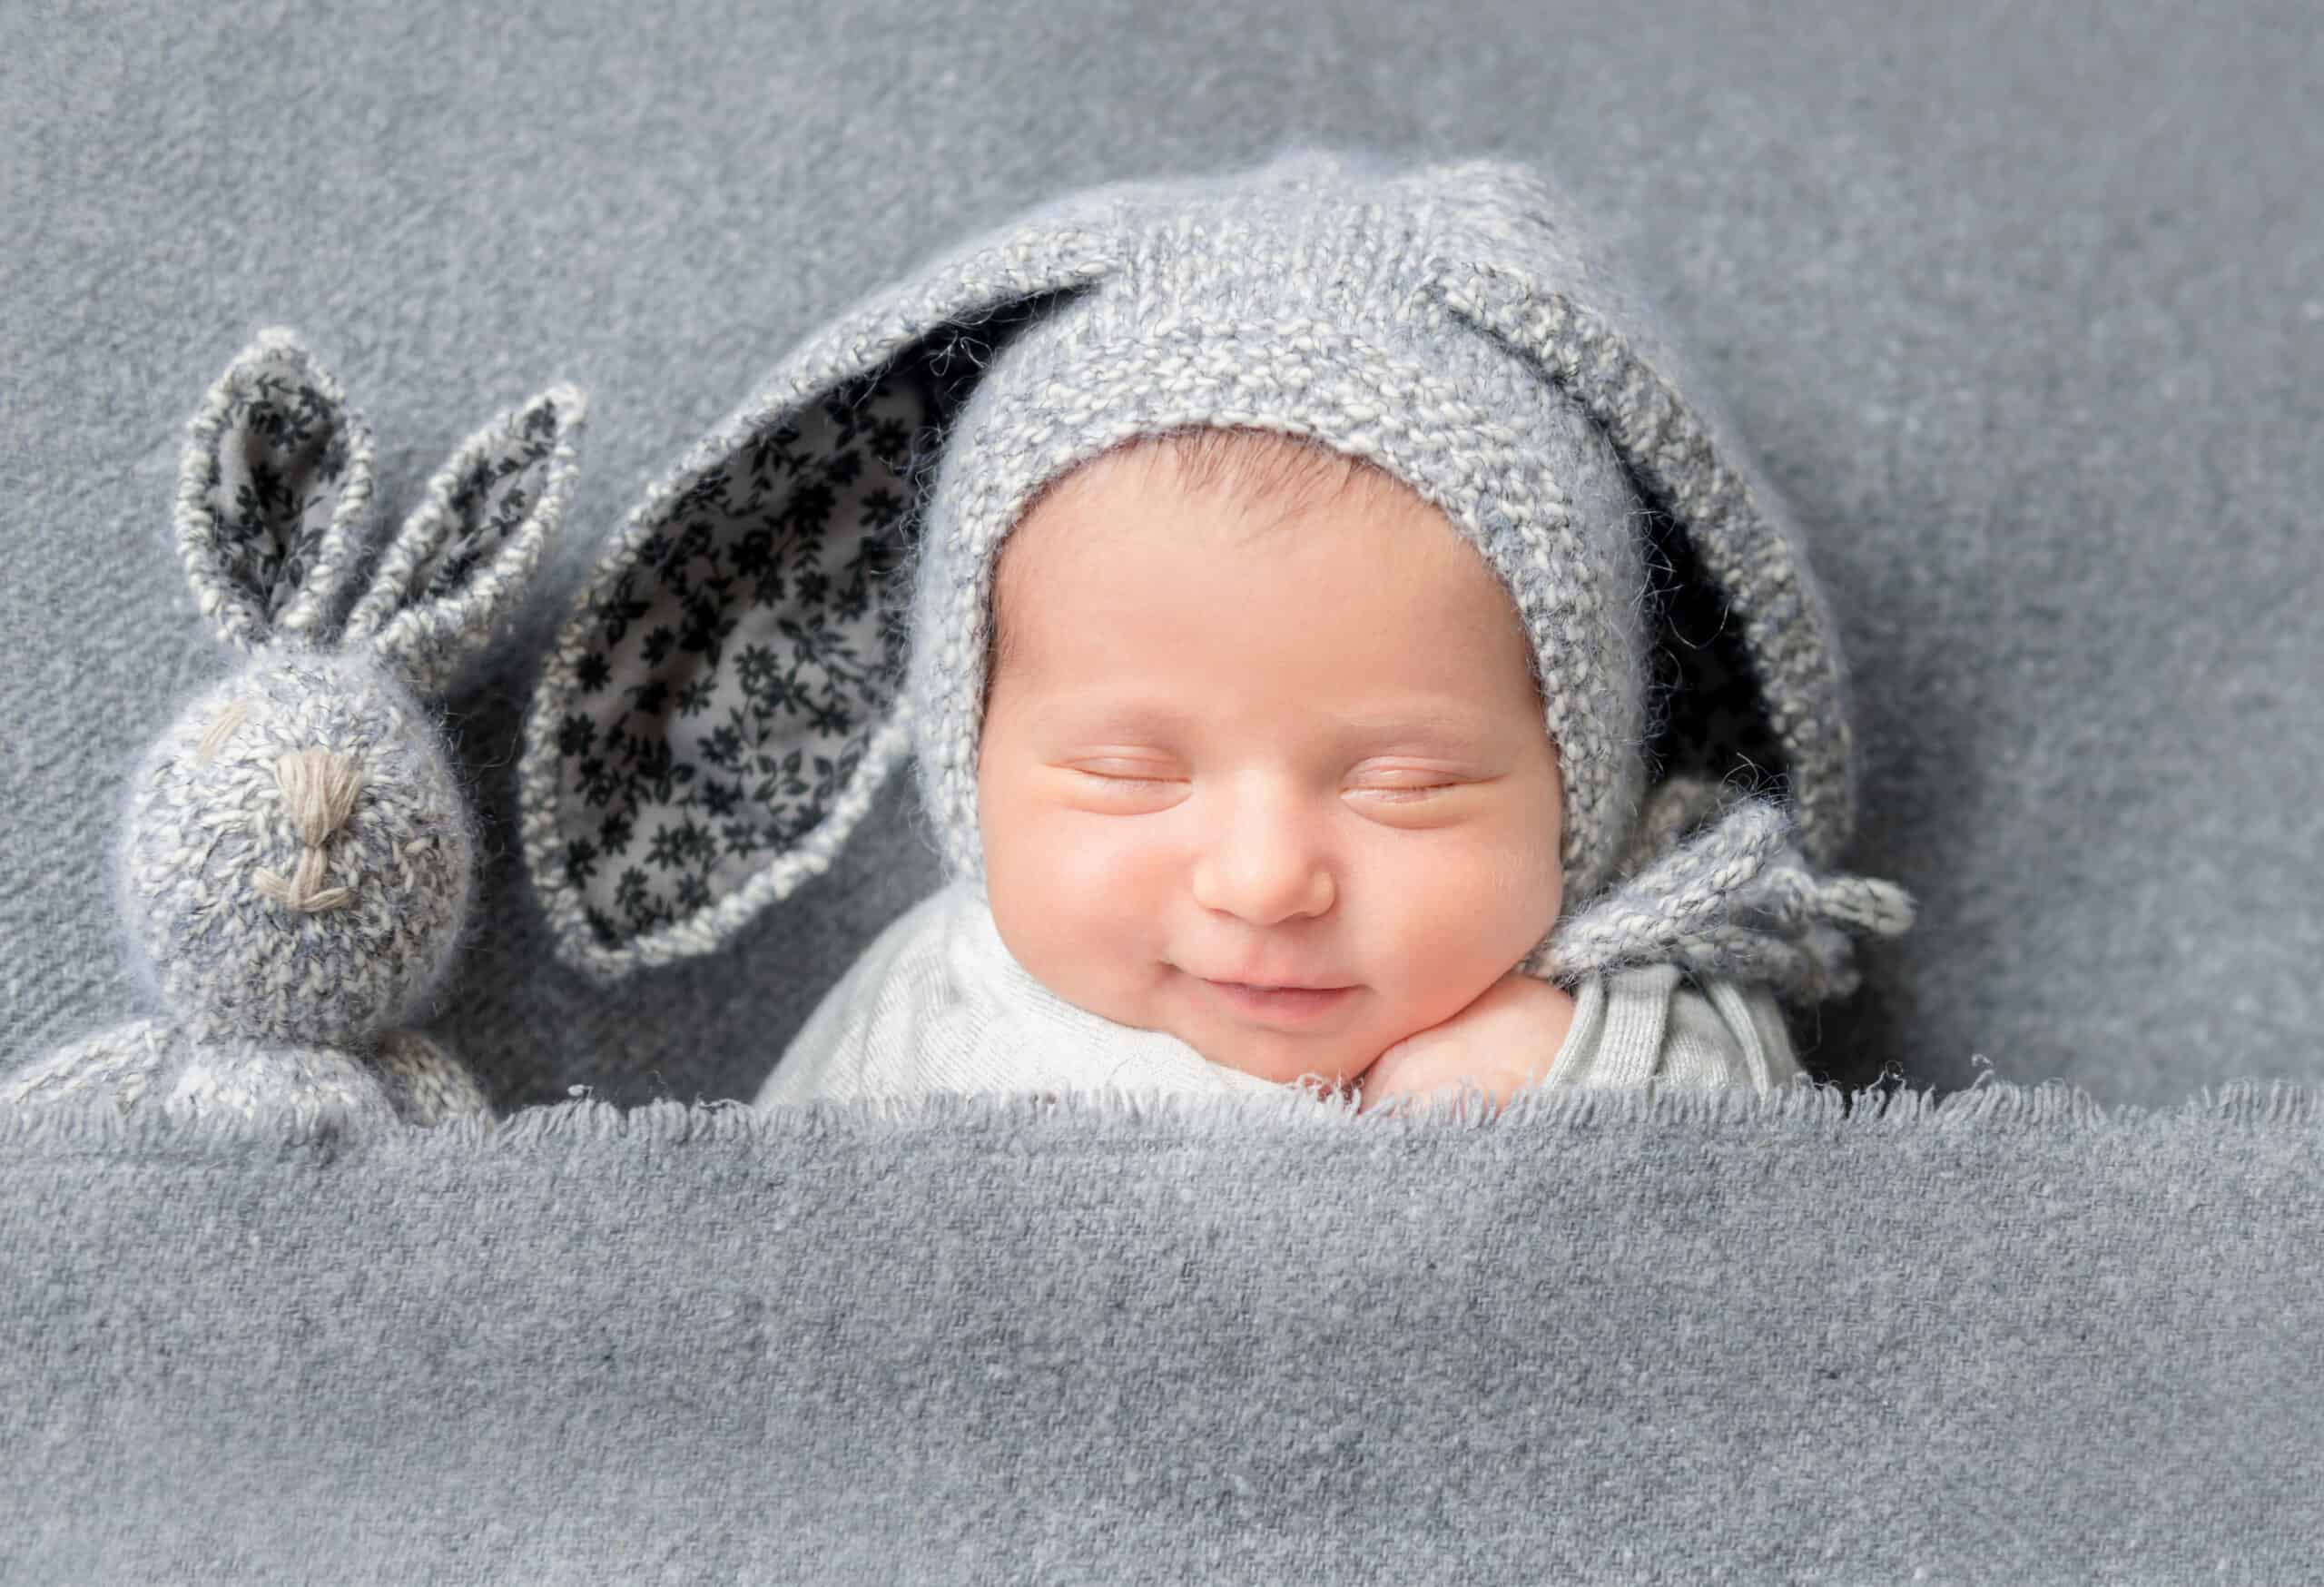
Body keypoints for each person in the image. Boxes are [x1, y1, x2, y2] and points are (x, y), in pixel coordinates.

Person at [517, 146, 1917, 1117]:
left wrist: (1582, 1091)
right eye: (1128, 771)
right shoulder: (928, 1023)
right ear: (973, 764)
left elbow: (1775, 1314)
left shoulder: (1642, 1033)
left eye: (1408, 785)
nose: (1262, 882)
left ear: (1583, 786)